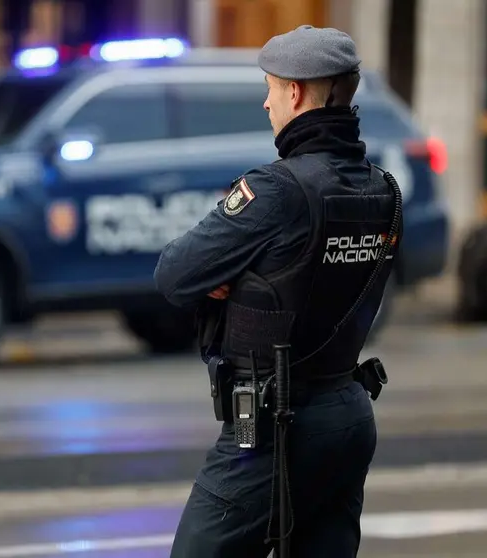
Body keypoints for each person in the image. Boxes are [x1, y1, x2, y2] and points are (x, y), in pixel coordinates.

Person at [153, 24, 403, 558]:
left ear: (294, 93)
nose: (265, 103)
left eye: (270, 88)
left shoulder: (277, 189)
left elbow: (175, 274)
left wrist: (237, 280)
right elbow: (313, 274)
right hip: (349, 415)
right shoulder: (383, 191)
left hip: (271, 429)